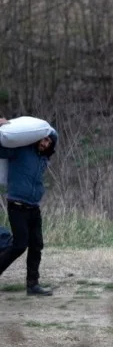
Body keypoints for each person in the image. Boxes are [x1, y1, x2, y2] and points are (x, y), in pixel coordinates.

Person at [0, 117, 58, 296]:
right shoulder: (21, 151)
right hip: (17, 206)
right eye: (44, 139)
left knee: (36, 245)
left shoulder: (43, 159)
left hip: (34, 207)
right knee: (19, 245)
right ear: (38, 138)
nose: (45, 143)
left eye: (49, 141)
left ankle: (32, 285)